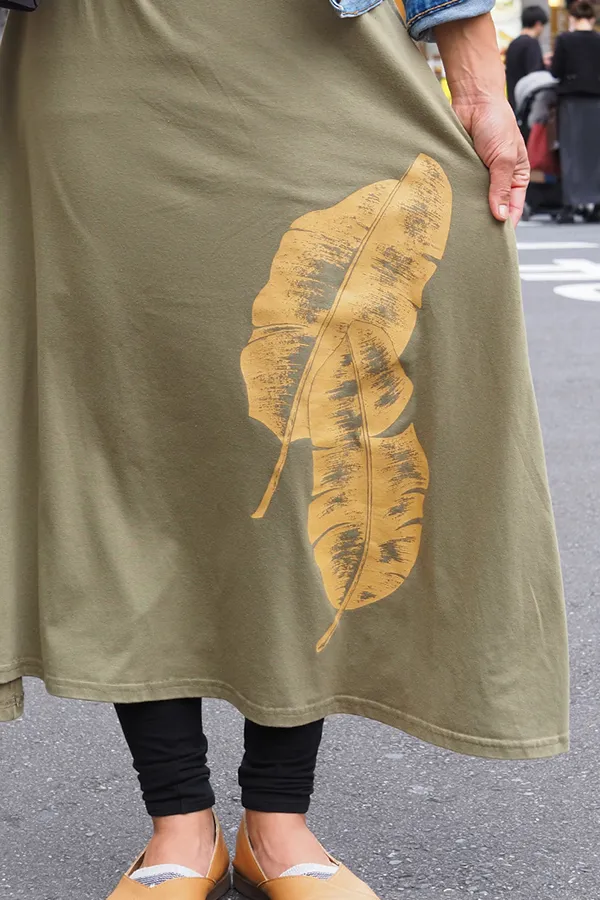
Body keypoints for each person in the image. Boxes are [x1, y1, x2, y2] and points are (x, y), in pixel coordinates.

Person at [0, 2, 569, 900]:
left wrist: (477, 83)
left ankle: (277, 816)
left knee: (323, 423)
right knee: (125, 425)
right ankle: (179, 820)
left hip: (321, 46)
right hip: (102, 52)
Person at [551, 0, 600, 223]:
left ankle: (570, 204)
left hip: (571, 101)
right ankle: (597, 204)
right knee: (596, 154)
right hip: (597, 100)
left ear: (572, 17)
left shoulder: (565, 40)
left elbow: (556, 71)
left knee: (571, 153)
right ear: (593, 18)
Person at [506, 5, 549, 110]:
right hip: (527, 103)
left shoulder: (513, 44)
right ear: (538, 24)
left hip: (513, 100)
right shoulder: (532, 43)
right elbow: (535, 74)